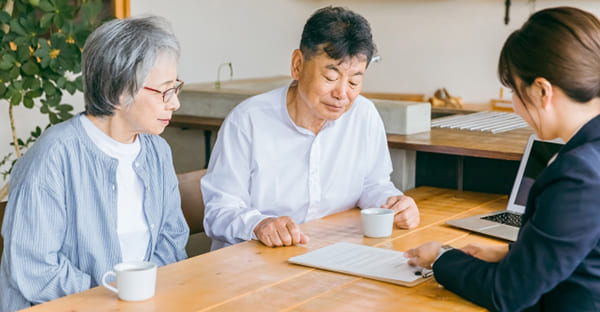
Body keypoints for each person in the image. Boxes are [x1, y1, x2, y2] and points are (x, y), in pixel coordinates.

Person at [406, 6, 600, 312]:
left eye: (513, 89)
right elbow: (583, 251)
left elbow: (508, 293)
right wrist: (512, 256)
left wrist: (442, 257)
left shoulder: (580, 173)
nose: (513, 104)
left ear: (541, 91)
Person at [0, 16, 189, 311]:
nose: (175, 103)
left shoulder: (157, 152)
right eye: (165, 90)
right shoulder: (54, 156)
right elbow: (34, 268)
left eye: (175, 87)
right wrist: (115, 298)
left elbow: (172, 238)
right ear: (118, 91)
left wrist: (145, 294)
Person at [202, 6, 420, 250]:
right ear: (297, 65)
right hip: (255, 263)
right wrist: (259, 225)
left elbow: (372, 184)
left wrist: (392, 203)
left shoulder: (363, 115)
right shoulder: (247, 121)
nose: (341, 94)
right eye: (330, 78)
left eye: (354, 81)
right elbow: (219, 211)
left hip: (331, 254)